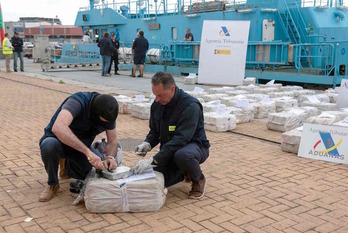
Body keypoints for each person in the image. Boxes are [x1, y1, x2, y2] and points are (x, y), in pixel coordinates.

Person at [131, 72, 210, 199]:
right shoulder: (158, 104)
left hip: (193, 147)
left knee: (183, 155)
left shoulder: (190, 106)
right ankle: (184, 173)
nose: (157, 99)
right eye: (155, 95)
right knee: (156, 178)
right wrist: (147, 143)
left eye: (160, 95)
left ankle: (198, 179)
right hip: (171, 149)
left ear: (172, 89)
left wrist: (154, 159)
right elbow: (155, 131)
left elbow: (181, 139)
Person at [39, 92, 120, 202]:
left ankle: (67, 166)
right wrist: (87, 151)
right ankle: (53, 184)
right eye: (103, 121)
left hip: (79, 147)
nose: (106, 123)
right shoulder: (77, 102)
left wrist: (110, 157)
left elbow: (113, 140)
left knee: (97, 171)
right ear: (95, 113)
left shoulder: (109, 113)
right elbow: (58, 127)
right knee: (49, 146)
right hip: (58, 141)